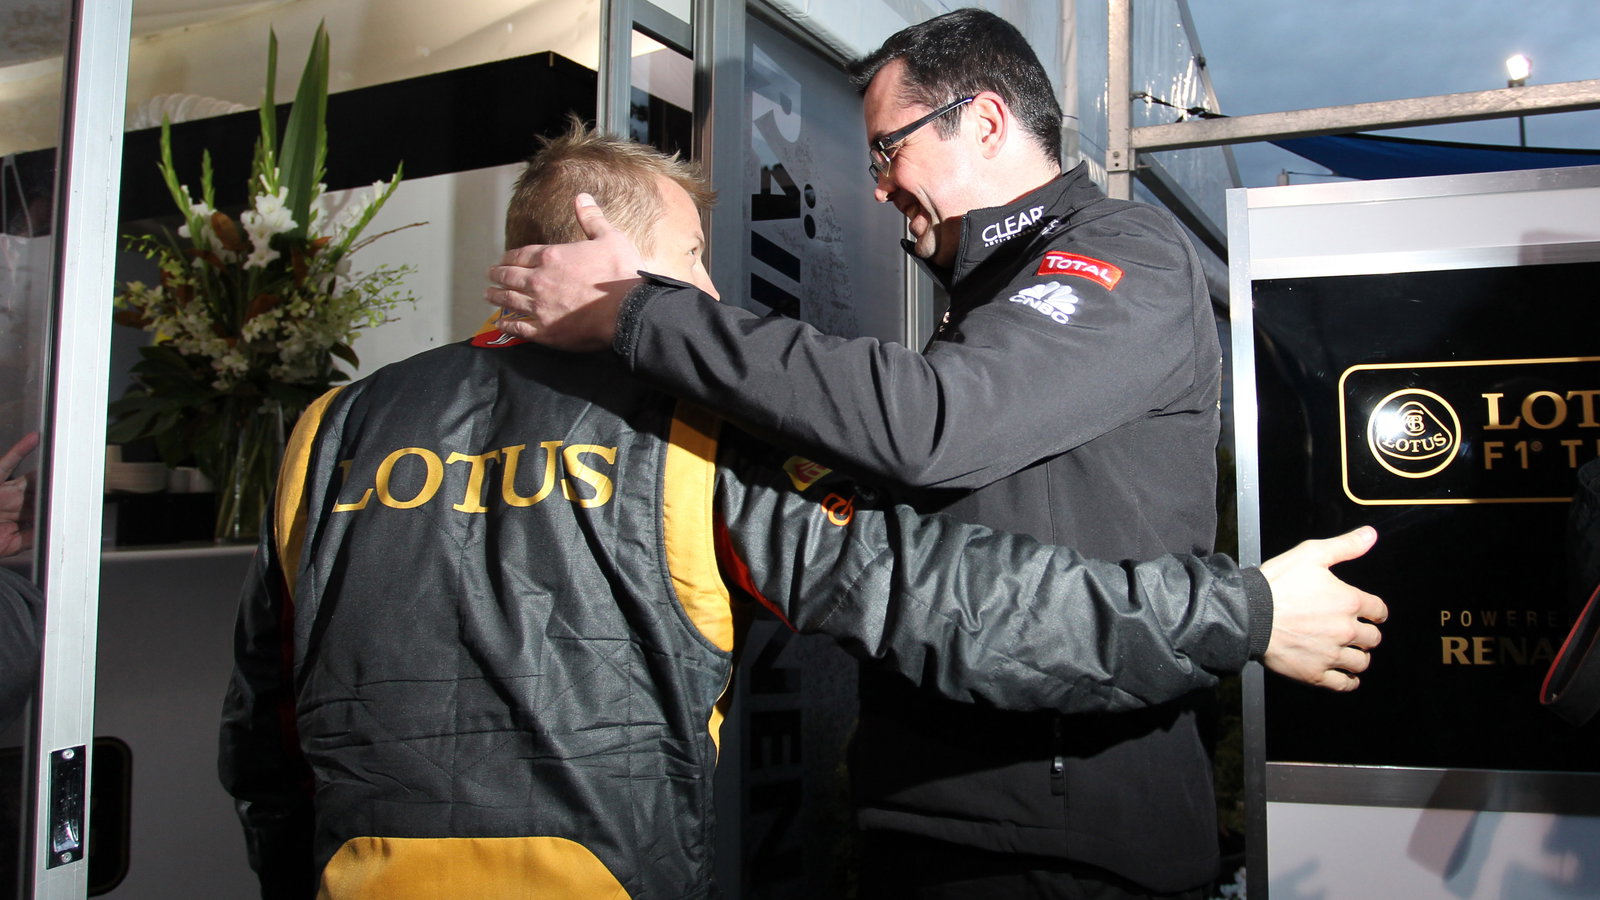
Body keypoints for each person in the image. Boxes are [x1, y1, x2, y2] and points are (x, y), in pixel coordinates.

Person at [220, 125, 1384, 900]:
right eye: (688, 258)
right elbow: (951, 602)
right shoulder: (689, 432)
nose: (715, 295)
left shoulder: (331, 429)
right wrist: (1238, 607)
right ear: (600, 247)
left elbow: (263, 741)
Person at [482, 10, 1342, 898]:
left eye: (887, 150)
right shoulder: (982, 299)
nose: (881, 186)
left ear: (986, 120)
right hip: (941, 820)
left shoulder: (1125, 254)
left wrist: (645, 312)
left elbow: (933, 426)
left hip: (1066, 844)